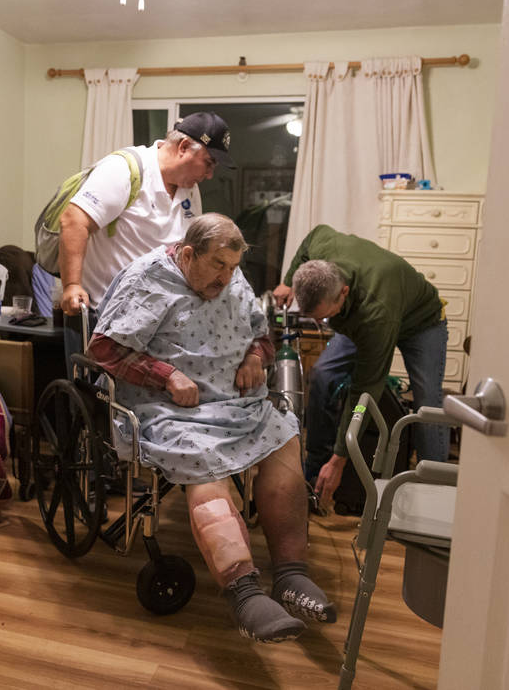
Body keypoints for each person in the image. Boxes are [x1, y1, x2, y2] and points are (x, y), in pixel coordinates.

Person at [87, 214, 336, 643]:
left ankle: (292, 574)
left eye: (234, 267)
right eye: (218, 265)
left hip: (235, 402)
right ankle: (243, 591)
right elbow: (105, 349)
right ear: (188, 254)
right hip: (166, 408)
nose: (227, 277)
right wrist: (164, 375)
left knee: (284, 436)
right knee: (204, 459)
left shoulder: (231, 280)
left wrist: (256, 357)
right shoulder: (147, 279)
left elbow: (261, 334)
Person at [274, 224, 449, 509]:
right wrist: (285, 280)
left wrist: (342, 457)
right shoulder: (324, 247)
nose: (321, 324)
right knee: (322, 375)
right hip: (365, 313)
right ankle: (315, 469)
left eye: (326, 317)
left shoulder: (375, 314)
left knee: (427, 404)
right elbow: (311, 236)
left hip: (421, 324)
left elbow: (364, 392)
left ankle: (437, 496)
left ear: (343, 292)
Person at [57, 112, 235, 363]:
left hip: (153, 319)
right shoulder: (125, 169)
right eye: (208, 163)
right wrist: (71, 285)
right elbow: (74, 221)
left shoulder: (190, 190)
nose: (210, 175)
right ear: (184, 147)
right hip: (102, 314)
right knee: (97, 397)